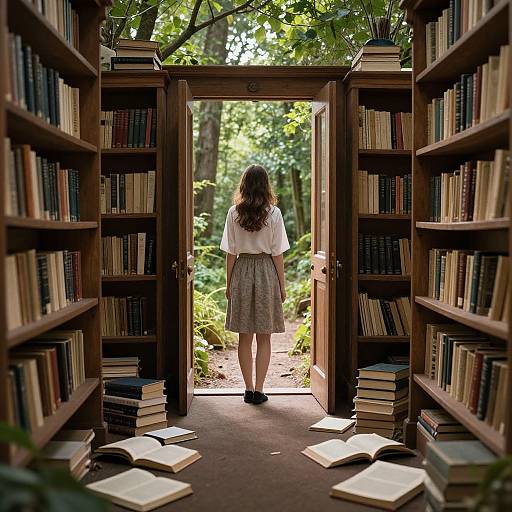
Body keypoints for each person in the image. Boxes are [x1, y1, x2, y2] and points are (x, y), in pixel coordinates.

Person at [220, 164, 290, 405]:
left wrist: (228, 283)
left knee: (244, 336)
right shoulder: (274, 213)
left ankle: (247, 389)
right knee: (264, 336)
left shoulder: (233, 213)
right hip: (266, 271)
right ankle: (259, 389)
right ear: (265, 185)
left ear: (244, 184)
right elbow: (277, 253)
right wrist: (282, 285)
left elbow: (230, 253)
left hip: (241, 270)